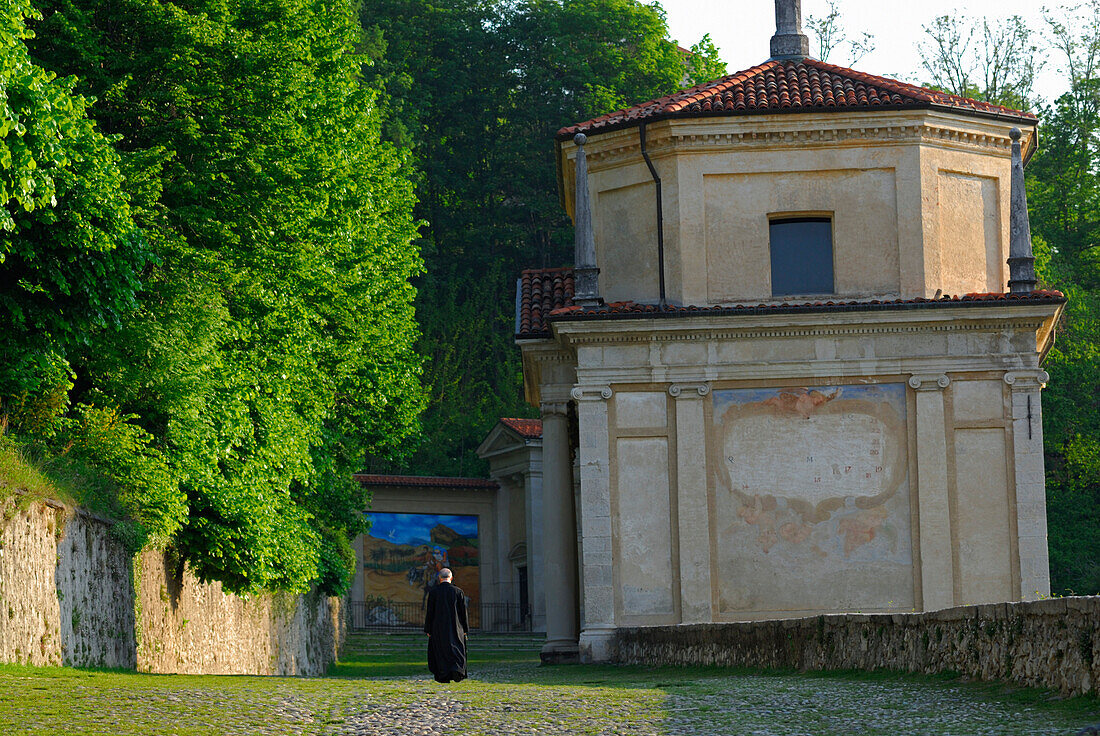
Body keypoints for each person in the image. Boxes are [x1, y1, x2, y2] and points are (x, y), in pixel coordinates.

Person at [423, 567, 469, 683]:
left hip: (438, 627)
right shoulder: (458, 592)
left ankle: (442, 675)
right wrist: (465, 628)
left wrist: (428, 629)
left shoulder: (433, 592)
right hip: (456, 626)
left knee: (440, 649)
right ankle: (457, 671)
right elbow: (463, 612)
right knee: (456, 648)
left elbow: (430, 612)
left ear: (439, 578)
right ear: (451, 578)